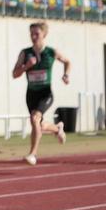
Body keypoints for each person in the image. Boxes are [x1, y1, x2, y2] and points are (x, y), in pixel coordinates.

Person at [12, 21, 69, 165]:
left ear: (44, 34)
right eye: (31, 33)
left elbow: (67, 61)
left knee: (35, 119)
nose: (33, 36)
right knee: (40, 125)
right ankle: (57, 128)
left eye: (36, 33)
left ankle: (33, 154)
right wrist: (26, 66)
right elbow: (15, 74)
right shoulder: (25, 53)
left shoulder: (51, 52)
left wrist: (66, 75)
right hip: (31, 94)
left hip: (45, 93)